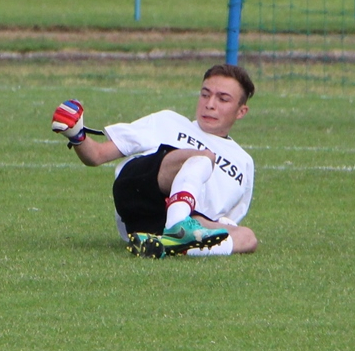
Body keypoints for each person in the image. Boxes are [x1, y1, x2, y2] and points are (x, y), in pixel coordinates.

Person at [51, 64, 259, 259]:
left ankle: (177, 246)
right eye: (205, 94)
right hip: (140, 192)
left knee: (247, 238)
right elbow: (96, 155)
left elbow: (225, 220)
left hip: (175, 223)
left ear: (241, 111)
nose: (210, 104)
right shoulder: (168, 121)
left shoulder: (243, 162)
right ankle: (179, 226)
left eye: (223, 99)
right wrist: (76, 134)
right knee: (204, 157)